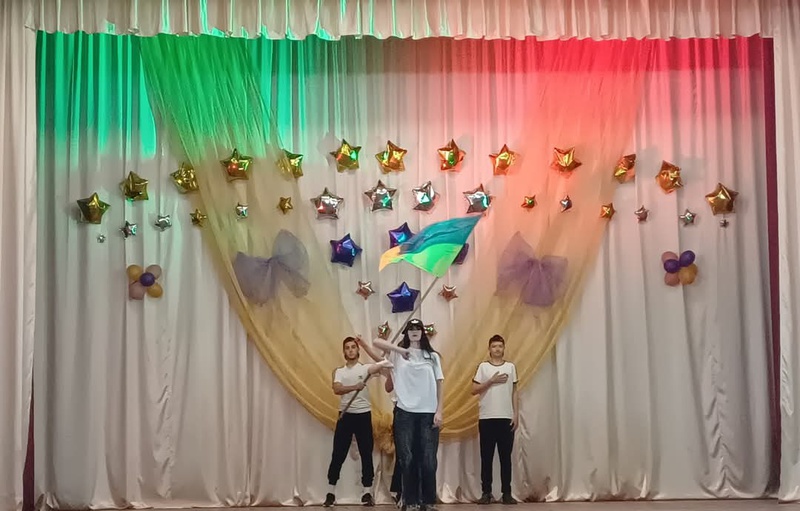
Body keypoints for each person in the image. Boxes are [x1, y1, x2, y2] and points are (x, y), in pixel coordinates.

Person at [374, 319, 444, 511]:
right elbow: (376, 342)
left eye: (417, 328)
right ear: (406, 332)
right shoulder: (398, 355)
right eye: (411, 329)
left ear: (422, 332)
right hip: (405, 412)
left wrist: (439, 410)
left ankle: (428, 501)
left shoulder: (432, 356)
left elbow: (439, 383)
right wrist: (400, 350)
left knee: (428, 459)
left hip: (428, 412)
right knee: (407, 458)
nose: (414, 331)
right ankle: (410, 501)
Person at [324, 336, 392, 507]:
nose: (350, 350)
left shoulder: (366, 368)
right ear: (344, 351)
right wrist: (355, 387)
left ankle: (367, 493)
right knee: (338, 454)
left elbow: (382, 363)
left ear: (357, 350)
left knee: (366, 453)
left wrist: (367, 346)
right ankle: (331, 493)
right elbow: (337, 389)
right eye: (347, 348)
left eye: (353, 347)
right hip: (345, 416)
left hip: (363, 416)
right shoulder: (339, 371)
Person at [471, 335, 519, 505]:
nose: (497, 349)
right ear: (489, 349)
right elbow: (474, 389)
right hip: (487, 418)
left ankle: (507, 493)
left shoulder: (510, 367)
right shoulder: (483, 367)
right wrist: (491, 381)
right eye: (494, 346)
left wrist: (515, 414)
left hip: (506, 418)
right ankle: (486, 493)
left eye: (500, 346)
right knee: (486, 457)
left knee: (506, 458)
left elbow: (514, 391)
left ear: (504, 348)